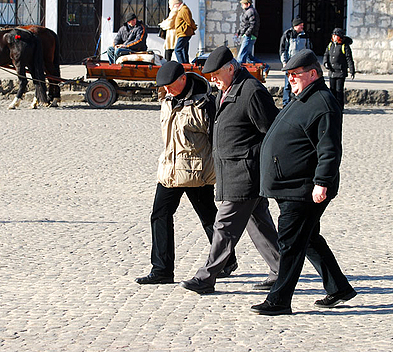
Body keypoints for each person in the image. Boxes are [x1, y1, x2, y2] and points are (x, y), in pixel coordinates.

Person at [251, 49, 356, 316]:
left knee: (290, 243)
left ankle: (279, 300)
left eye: (296, 75)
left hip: (304, 189)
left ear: (313, 73)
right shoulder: (303, 97)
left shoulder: (323, 103)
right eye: (289, 75)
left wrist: (321, 182)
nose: (291, 80)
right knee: (307, 238)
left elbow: (330, 149)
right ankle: (339, 288)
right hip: (291, 186)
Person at [179, 46, 280, 294]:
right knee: (259, 225)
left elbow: (273, 131)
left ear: (231, 68)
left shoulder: (252, 91)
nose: (212, 80)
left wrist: (260, 164)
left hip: (245, 172)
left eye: (215, 74)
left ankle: (206, 277)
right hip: (231, 170)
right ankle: (281, 270)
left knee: (223, 226)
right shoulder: (225, 91)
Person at [135, 61, 236, 285]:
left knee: (208, 217)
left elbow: (216, 140)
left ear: (183, 78)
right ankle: (162, 270)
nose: (167, 91)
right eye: (164, 87)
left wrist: (221, 168)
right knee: (159, 215)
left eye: (170, 86)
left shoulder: (205, 103)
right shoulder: (167, 98)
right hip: (170, 170)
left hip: (196, 172)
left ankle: (226, 261)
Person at [279, 17, 312, 106]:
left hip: (301, 64)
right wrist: (284, 62)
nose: (302, 27)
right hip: (290, 64)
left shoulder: (305, 35)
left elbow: (308, 48)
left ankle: (296, 103)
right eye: (300, 25)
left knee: (300, 84)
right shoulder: (287, 34)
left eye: (302, 25)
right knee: (288, 85)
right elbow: (283, 49)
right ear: (295, 26)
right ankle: (286, 103)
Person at [323, 28, 355, 110]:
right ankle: (332, 107)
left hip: (340, 72)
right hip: (332, 72)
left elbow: (349, 59)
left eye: (335, 36)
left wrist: (352, 70)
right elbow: (326, 55)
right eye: (333, 35)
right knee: (332, 90)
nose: (334, 37)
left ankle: (339, 107)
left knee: (339, 91)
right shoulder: (331, 45)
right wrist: (326, 63)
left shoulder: (344, 46)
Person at [235, 0, 262, 65]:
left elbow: (252, 24)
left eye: (243, 4)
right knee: (248, 56)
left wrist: (247, 34)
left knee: (242, 55)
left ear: (248, 4)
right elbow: (244, 24)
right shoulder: (248, 12)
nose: (242, 5)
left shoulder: (251, 12)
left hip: (250, 36)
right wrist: (239, 32)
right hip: (249, 35)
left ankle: (239, 69)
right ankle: (264, 66)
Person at [173, 0, 197, 64]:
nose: (174, 6)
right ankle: (186, 64)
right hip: (183, 33)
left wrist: (194, 27)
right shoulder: (182, 9)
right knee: (184, 50)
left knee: (177, 50)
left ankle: (182, 64)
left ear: (178, 3)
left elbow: (189, 21)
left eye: (175, 4)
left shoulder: (184, 9)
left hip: (184, 33)